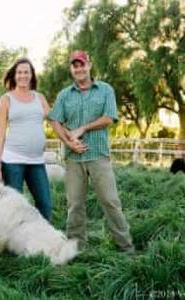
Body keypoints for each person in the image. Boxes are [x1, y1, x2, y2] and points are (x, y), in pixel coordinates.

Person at [48, 50, 134, 252]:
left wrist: (83, 128)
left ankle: (126, 247)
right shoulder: (64, 95)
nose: (78, 69)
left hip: (98, 155)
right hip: (73, 158)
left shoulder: (105, 90)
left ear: (89, 65)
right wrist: (69, 142)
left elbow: (109, 117)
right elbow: (55, 121)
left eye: (81, 64)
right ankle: (76, 247)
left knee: (110, 202)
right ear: (71, 69)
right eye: (74, 66)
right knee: (75, 205)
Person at [0, 58, 52, 221]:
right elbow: (1, 135)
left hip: (36, 161)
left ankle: (42, 242)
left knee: (45, 204)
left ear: (31, 75)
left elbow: (55, 121)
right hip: (12, 161)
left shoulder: (40, 98)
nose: (23, 75)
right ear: (14, 75)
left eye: (26, 72)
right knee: (12, 208)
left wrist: (70, 137)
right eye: (19, 72)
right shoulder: (6, 99)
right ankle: (11, 243)